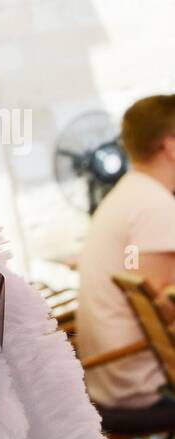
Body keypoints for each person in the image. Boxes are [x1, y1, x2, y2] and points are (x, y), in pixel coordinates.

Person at [77, 95, 175, 413]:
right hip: (141, 383)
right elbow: (167, 308)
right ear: (170, 147)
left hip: (110, 375)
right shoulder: (154, 205)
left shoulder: (130, 193)